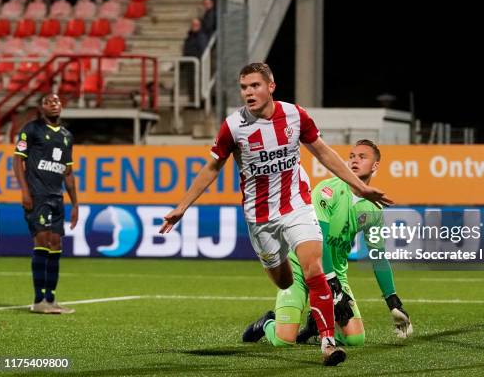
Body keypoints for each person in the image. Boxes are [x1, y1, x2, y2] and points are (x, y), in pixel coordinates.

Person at [160, 63, 393, 366]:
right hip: (260, 217)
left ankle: (327, 341)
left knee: (313, 267)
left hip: (295, 205)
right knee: (283, 281)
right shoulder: (233, 125)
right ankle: (269, 320)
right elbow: (213, 167)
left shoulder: (295, 115)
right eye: (244, 87)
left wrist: (359, 188)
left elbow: (322, 151)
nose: (248, 93)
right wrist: (182, 206)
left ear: (271, 86)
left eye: (255, 86)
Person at [242, 140, 412, 348]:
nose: (354, 160)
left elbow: (378, 256)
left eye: (362, 157)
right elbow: (319, 241)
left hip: (335, 274)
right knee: (283, 340)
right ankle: (267, 322)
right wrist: (334, 289)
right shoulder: (327, 191)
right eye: (352, 156)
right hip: (301, 268)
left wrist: (393, 300)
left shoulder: (373, 209)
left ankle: (314, 329)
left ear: (375, 166)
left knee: (355, 340)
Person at [13, 94, 79, 315]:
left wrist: (76, 204)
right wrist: (25, 191)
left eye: (57, 101)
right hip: (37, 195)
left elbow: (68, 173)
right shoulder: (30, 129)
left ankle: (51, 299)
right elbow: (17, 160)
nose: (54, 104)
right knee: (42, 242)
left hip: (57, 198)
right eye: (49, 102)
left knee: (56, 245)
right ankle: (38, 300)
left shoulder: (67, 136)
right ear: (41, 107)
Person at [181, 18, 209, 103]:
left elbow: (203, 50)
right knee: (191, 84)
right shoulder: (190, 36)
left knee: (197, 84)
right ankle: (193, 101)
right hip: (189, 63)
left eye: (196, 25)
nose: (194, 26)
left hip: (197, 64)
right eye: (193, 24)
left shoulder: (201, 36)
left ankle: (198, 102)